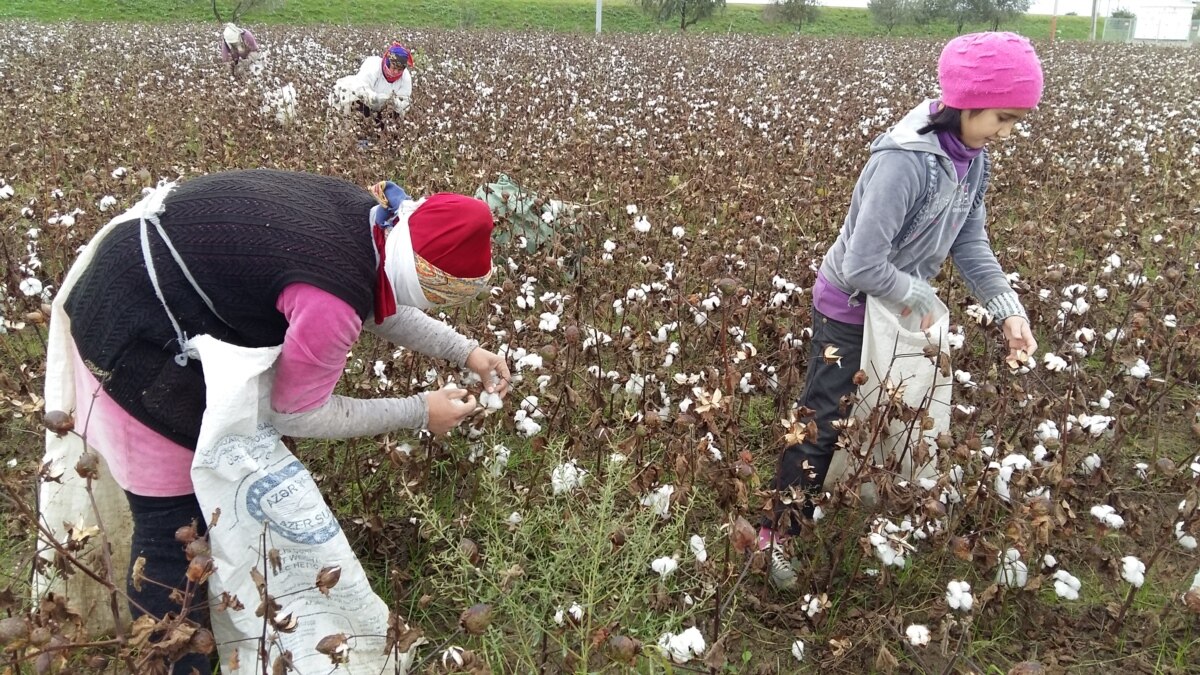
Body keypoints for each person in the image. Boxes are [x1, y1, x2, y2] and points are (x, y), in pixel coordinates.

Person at [55, 169, 509, 673]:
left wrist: (466, 351)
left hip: (140, 272)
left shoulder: (368, 221)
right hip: (134, 339)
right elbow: (297, 411)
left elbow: (376, 294)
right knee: (170, 530)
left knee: (204, 515)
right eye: (435, 298)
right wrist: (419, 410)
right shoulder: (331, 300)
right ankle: (166, 656)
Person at [760, 32, 1043, 590]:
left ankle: (860, 505)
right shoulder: (904, 163)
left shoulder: (971, 159)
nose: (1006, 133)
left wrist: (1007, 308)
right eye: (1003, 118)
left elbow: (970, 242)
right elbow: (864, 263)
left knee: (892, 411)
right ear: (966, 101)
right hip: (848, 306)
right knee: (826, 417)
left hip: (894, 308)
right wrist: (916, 294)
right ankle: (779, 533)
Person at [332, 41, 414, 127]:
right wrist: (377, 98)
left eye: (400, 70)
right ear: (387, 62)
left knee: (393, 120)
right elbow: (361, 90)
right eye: (394, 68)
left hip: (384, 111)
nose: (396, 72)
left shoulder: (405, 78)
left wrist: (394, 103)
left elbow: (405, 101)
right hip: (360, 103)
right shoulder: (373, 65)